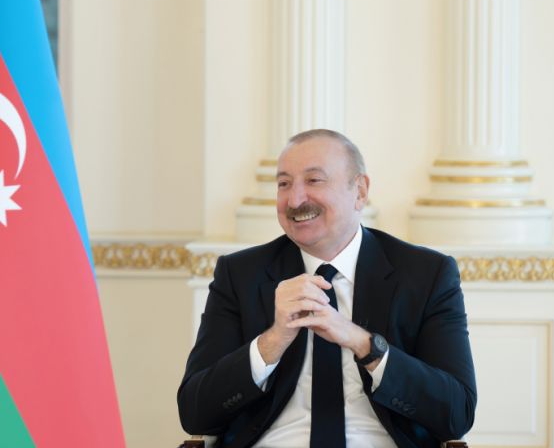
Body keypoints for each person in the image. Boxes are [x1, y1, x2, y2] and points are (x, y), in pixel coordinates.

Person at [177, 129, 476, 448]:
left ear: (360, 191)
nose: (295, 200)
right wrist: (273, 341)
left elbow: (456, 413)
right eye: (284, 184)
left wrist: (363, 344)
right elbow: (195, 413)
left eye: (314, 180)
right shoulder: (240, 274)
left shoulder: (426, 274)